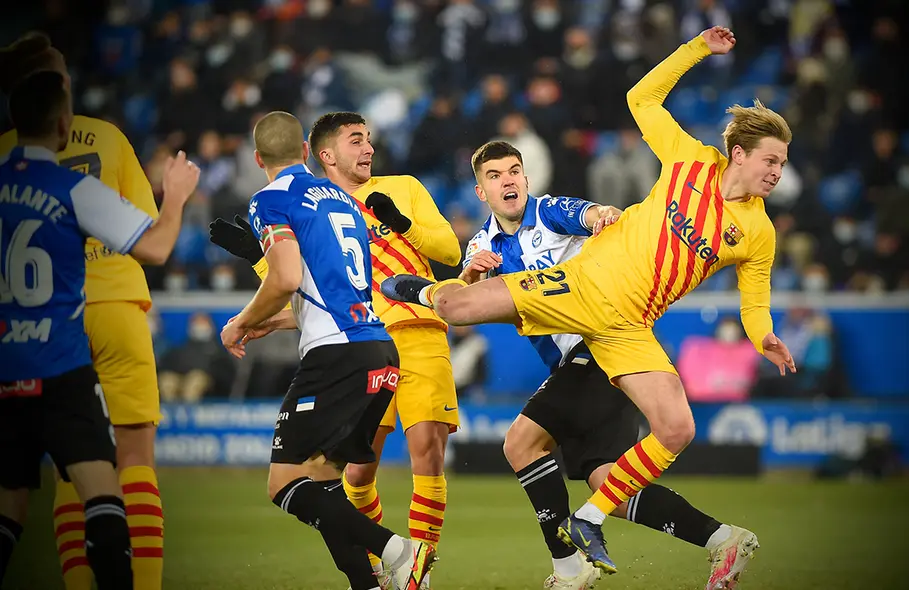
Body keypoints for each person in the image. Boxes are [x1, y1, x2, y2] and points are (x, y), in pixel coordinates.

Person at [382, 27, 795, 587]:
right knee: (461, 315)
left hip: (622, 329)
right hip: (583, 294)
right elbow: (641, 99)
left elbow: (755, 301)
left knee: (673, 428)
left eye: (782, 164)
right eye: (770, 160)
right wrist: (694, 49)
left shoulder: (758, 232)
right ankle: (633, 547)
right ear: (739, 154)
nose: (776, 172)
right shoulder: (688, 161)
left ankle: (586, 544)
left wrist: (763, 335)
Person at [462, 140, 758, 590]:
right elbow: (468, 293)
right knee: (610, 486)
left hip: (599, 343)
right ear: (481, 191)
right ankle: (723, 539)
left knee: (520, 444)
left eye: (515, 171)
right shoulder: (481, 243)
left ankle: (569, 569)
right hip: (579, 361)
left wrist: (600, 216)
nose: (509, 180)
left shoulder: (547, 212)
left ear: (526, 177)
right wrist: (469, 275)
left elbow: (585, 213)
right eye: (496, 175)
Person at [210, 112, 460, 589]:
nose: (367, 148)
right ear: (312, 152)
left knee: (286, 482)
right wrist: (260, 274)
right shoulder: (343, 203)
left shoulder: (277, 198)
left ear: (258, 158)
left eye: (368, 140)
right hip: (375, 344)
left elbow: (290, 281)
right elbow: (331, 290)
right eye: (355, 140)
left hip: (348, 350)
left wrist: (241, 322)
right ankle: (369, 581)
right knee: (333, 479)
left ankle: (404, 555)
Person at [0, 71, 199, 588]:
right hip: (110, 305)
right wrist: (175, 195)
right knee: (128, 456)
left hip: (19, 338)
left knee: (45, 476)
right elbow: (150, 237)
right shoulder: (103, 143)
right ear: (63, 119)